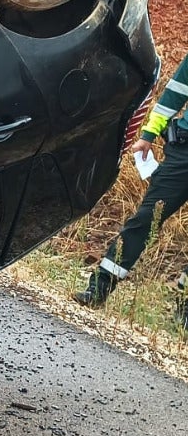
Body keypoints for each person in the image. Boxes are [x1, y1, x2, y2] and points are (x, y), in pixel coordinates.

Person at [75, 51, 188, 315]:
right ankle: (99, 288)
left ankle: (183, 314)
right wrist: (148, 134)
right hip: (184, 154)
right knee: (146, 217)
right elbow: (174, 94)